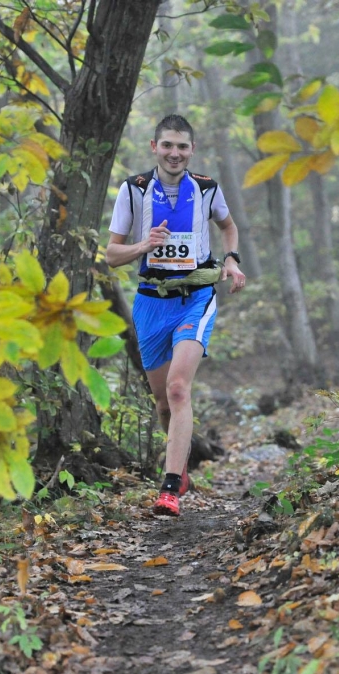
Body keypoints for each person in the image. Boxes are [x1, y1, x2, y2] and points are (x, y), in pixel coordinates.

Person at [105, 114, 247, 517]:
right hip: (151, 300)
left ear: (192, 150)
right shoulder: (133, 191)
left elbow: (229, 227)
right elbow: (112, 254)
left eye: (182, 146)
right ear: (154, 147)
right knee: (163, 403)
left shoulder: (206, 188)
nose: (174, 153)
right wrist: (142, 245)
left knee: (179, 389)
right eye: (167, 145)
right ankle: (180, 469)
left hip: (196, 297)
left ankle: (169, 489)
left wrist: (232, 262)